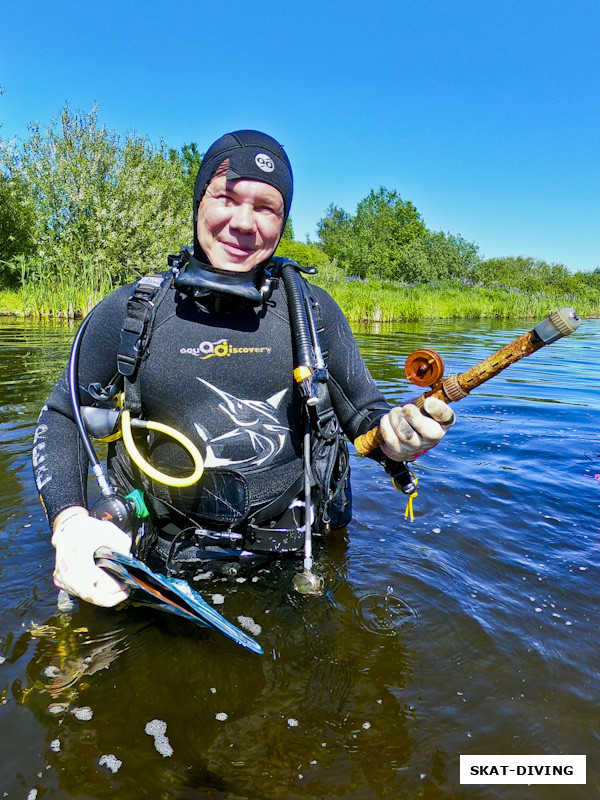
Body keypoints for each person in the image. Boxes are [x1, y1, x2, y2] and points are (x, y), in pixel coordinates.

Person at [32, 130, 455, 608]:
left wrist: (400, 435)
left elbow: (365, 415)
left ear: (283, 221)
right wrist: (68, 522)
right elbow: (63, 416)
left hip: (297, 563)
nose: (243, 223)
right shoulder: (132, 310)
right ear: (198, 203)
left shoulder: (313, 313)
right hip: (158, 559)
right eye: (226, 198)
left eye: (267, 208)